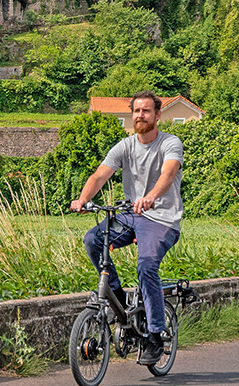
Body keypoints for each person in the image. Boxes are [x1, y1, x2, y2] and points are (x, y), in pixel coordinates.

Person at [69, 90, 183, 366]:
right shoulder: (125, 146)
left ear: (157, 115)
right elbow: (100, 174)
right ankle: (118, 299)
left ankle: (155, 335)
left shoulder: (171, 143)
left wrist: (151, 197)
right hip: (130, 216)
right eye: (136, 111)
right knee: (93, 240)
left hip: (161, 218)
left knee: (146, 265)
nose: (140, 115)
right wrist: (84, 199)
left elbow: (168, 174)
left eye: (146, 111)